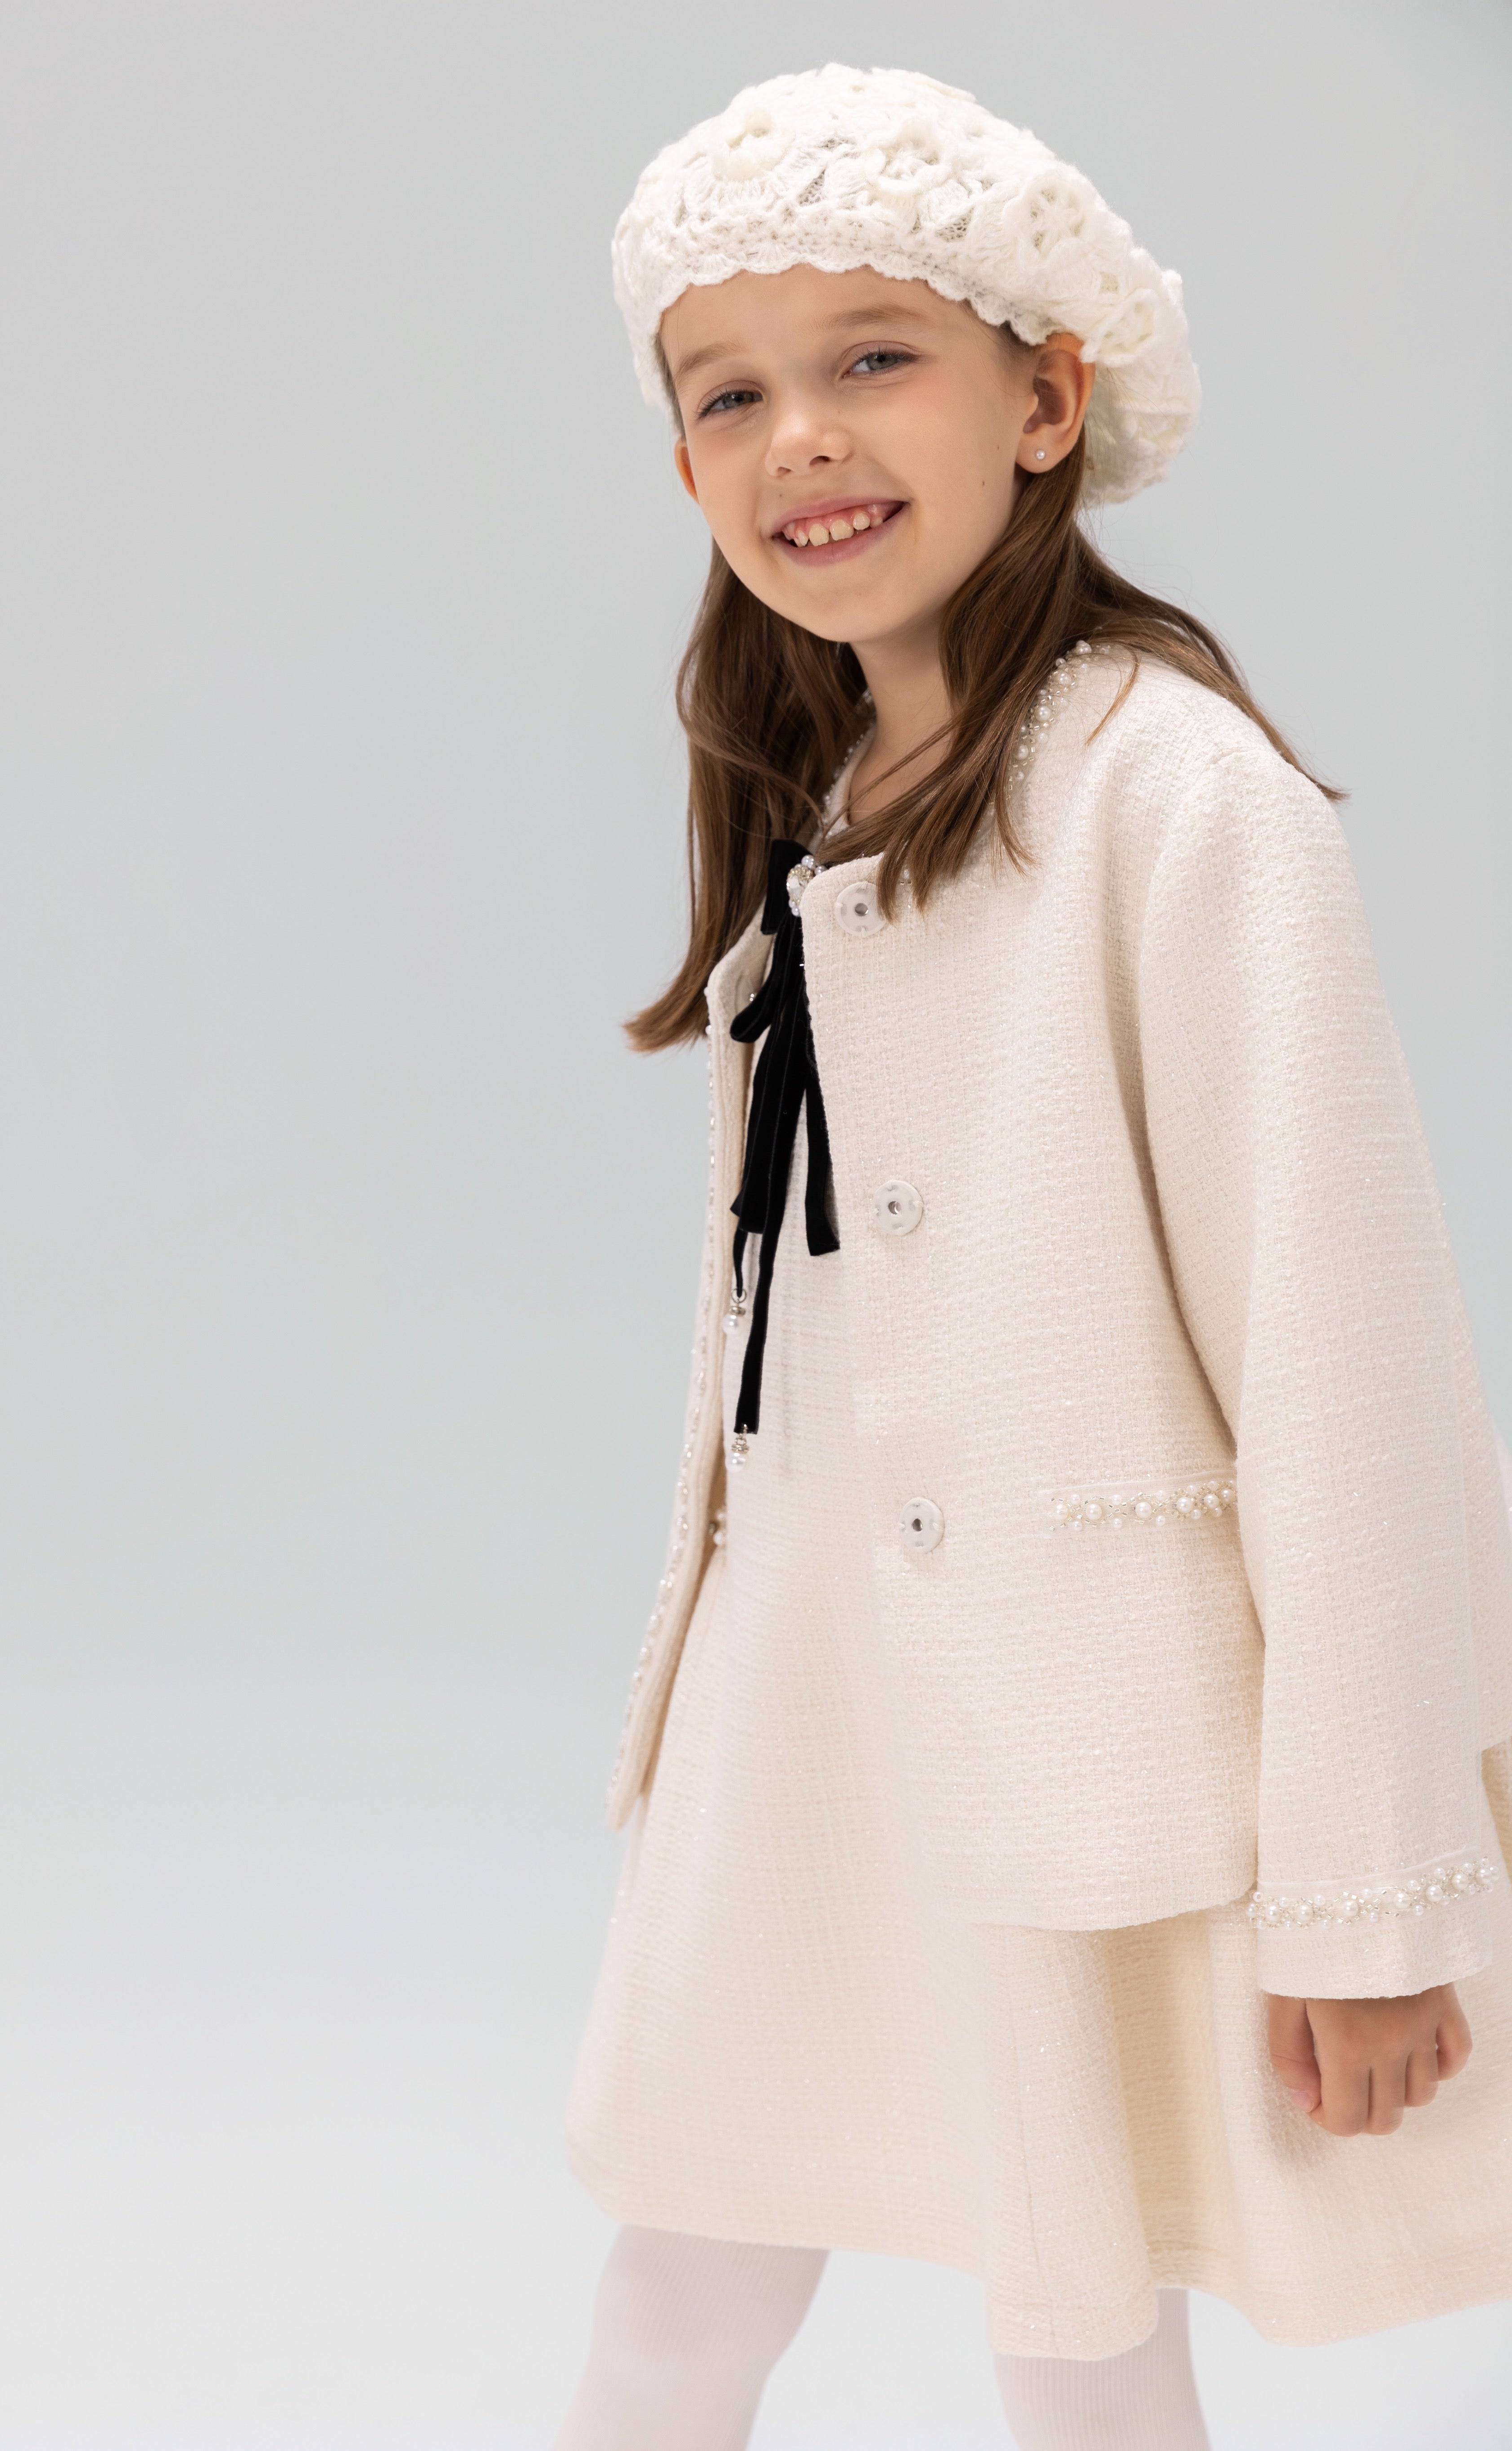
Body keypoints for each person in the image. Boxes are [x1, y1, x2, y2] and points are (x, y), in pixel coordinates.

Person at [553, 65, 1512, 2451]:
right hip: (809, 1714)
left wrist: (1373, 1892)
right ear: (683, 468)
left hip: (1070, 1730)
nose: (802, 435)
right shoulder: (821, 794)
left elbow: (1351, 1370)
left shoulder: (1177, 799)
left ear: (1047, 397)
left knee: (1073, 2328)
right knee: (681, 2269)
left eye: (874, 355)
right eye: (729, 393)